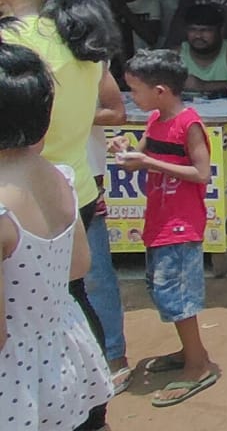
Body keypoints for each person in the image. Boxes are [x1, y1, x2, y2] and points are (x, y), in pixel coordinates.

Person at [0, 0, 121, 430]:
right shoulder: (81, 38)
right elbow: (107, 106)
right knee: (66, 301)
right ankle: (87, 398)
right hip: (71, 189)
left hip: (17, 192)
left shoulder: (14, 45)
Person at [109, 50, 219, 408]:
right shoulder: (155, 119)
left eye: (135, 90)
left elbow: (201, 174)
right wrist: (124, 151)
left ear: (160, 90)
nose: (132, 98)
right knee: (165, 293)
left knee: (177, 296)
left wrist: (148, 161)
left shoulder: (188, 125)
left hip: (181, 224)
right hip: (159, 220)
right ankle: (191, 351)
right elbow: (137, 161)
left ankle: (198, 365)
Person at [85, 63, 132, 395]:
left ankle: (113, 356)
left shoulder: (88, 57)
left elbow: (116, 113)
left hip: (82, 176)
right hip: (22, 174)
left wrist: (68, 114)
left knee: (94, 273)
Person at [177, 3, 227, 93]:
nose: (198, 35)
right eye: (192, 29)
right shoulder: (176, 54)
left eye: (206, 30)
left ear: (221, 30)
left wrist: (204, 86)